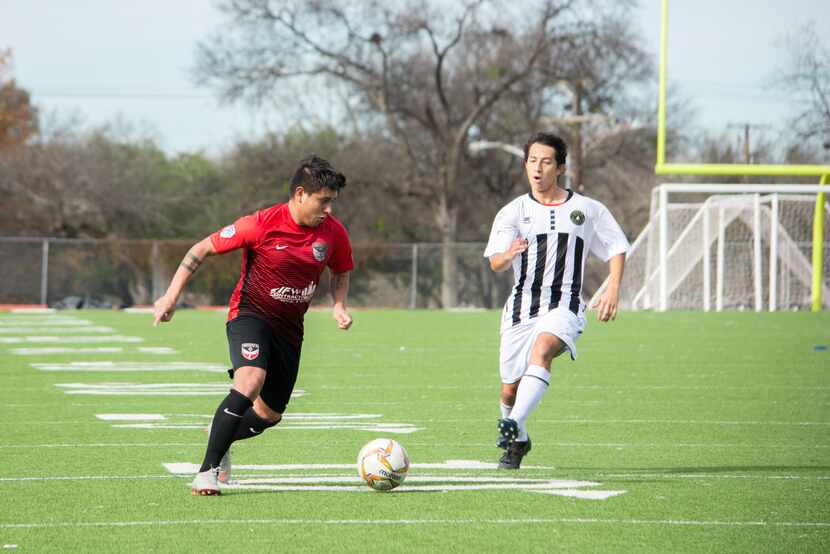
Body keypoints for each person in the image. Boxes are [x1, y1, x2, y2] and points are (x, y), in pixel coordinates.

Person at [152, 155, 354, 495]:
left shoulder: (333, 233)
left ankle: (223, 433)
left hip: (290, 329)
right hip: (250, 315)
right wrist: (170, 297)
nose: (329, 210)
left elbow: (341, 270)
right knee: (251, 378)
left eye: (332, 202)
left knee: (269, 416)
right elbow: (201, 249)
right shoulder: (260, 224)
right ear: (300, 194)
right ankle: (207, 471)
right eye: (324, 201)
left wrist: (338, 305)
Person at [484, 132, 629, 469]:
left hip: (564, 305)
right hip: (521, 309)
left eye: (546, 161)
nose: (538, 168)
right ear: (525, 165)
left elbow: (617, 246)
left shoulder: (587, 209)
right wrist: (508, 253)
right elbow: (494, 262)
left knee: (544, 348)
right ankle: (518, 438)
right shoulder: (513, 212)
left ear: (560, 167)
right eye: (532, 161)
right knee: (508, 391)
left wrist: (613, 288)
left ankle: (512, 423)